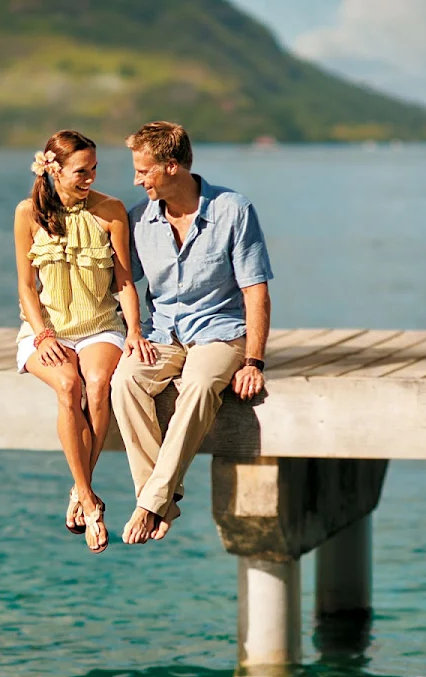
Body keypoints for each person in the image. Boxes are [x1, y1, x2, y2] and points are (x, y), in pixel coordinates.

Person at [112, 121, 273, 545]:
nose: (136, 179)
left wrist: (254, 360)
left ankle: (150, 503)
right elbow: (121, 282)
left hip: (220, 333)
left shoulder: (233, 210)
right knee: (124, 382)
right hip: (163, 333)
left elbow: (255, 291)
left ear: (171, 167)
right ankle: (163, 498)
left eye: (143, 171)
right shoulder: (138, 221)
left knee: (199, 385)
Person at [13, 130, 157, 554]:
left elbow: (125, 281)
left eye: (94, 168)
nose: (90, 177)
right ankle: (90, 502)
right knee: (67, 386)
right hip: (47, 329)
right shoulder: (28, 213)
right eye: (81, 170)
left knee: (97, 386)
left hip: (100, 325)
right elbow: (24, 285)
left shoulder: (112, 211)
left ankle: (81, 491)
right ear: (53, 170)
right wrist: (42, 334)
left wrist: (133, 330)